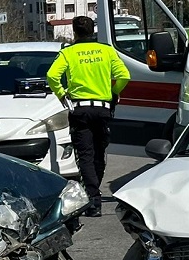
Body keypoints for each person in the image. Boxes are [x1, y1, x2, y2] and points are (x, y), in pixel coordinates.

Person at [46, 15, 131, 216]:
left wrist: (62, 94)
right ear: (93, 31)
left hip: (80, 110)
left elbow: (51, 76)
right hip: (102, 109)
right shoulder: (106, 51)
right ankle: (94, 191)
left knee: (85, 155)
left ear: (74, 32)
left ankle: (93, 200)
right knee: (99, 153)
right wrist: (113, 94)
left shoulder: (68, 53)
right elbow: (124, 76)